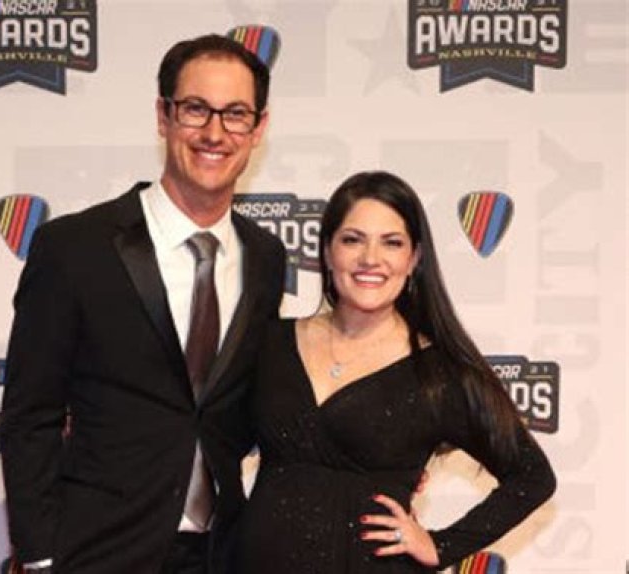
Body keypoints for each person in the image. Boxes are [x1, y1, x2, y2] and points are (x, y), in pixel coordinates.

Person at [0, 34, 286, 574]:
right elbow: (29, 414)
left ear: (258, 128)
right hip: (98, 551)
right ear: (163, 116)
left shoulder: (266, 259)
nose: (214, 133)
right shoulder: (74, 248)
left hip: (220, 553)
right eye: (196, 109)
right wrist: (39, 557)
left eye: (235, 114)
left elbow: (249, 406)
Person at [236, 171, 556, 573]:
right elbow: (215, 440)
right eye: (353, 240)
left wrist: (441, 545)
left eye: (392, 242)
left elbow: (532, 477)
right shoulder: (270, 343)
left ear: (414, 258)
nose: (371, 258)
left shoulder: (439, 374)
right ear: (327, 250)